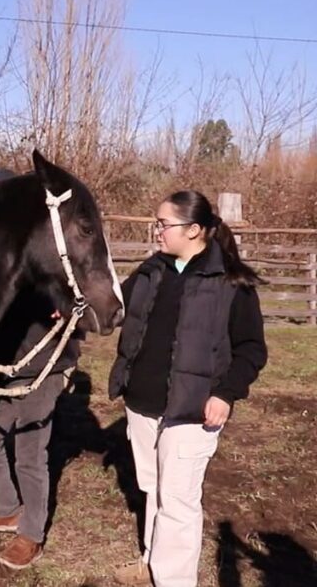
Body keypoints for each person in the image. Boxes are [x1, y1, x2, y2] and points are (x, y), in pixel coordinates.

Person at [109, 191, 267, 586]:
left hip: (194, 410)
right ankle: (152, 563)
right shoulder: (151, 271)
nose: (157, 231)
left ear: (194, 230)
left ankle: (173, 580)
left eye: (164, 224)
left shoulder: (230, 283)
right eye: (157, 223)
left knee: (178, 501)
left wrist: (225, 393)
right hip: (142, 403)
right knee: (155, 489)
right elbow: (114, 309)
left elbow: (251, 349)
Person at [0, 169, 82, 570]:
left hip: (40, 368)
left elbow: (73, 300)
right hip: (3, 369)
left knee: (29, 454)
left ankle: (31, 534)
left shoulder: (42, 251)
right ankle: (6, 508)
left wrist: (60, 306)